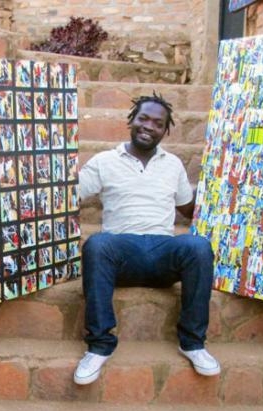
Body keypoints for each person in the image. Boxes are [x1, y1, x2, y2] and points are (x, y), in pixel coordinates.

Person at [74, 94, 220, 385]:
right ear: (131, 120)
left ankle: (192, 343)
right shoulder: (105, 161)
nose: (148, 126)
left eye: (158, 123)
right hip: (120, 253)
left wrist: (222, 191)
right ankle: (99, 346)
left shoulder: (174, 164)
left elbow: (187, 208)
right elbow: (68, 197)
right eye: (143, 118)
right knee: (97, 244)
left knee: (198, 246)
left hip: (163, 253)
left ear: (165, 130)